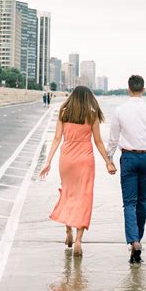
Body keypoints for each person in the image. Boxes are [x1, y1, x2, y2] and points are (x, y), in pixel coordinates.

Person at [39, 86, 116, 256]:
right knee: (84, 197)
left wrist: (48, 161)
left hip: (66, 159)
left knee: (68, 194)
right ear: (88, 98)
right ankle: (79, 240)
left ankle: (68, 231)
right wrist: (108, 162)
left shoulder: (64, 112)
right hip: (85, 160)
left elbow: (57, 138)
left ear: (73, 97)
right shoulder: (92, 114)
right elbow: (98, 142)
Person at [107, 74, 146, 264]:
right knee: (142, 201)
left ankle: (133, 241)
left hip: (128, 157)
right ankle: (138, 240)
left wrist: (109, 159)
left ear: (128, 89)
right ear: (143, 90)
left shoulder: (119, 110)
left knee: (129, 203)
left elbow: (113, 138)